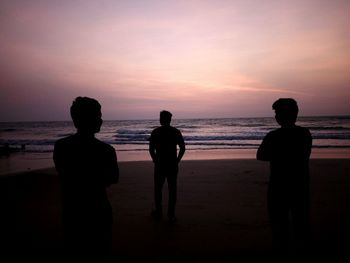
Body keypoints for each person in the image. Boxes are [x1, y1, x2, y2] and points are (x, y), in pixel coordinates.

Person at [53, 97, 119, 259]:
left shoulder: (61, 147)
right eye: (98, 115)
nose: (101, 120)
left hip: (72, 212)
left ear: (75, 121)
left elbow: (64, 173)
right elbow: (112, 178)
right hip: (98, 211)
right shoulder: (106, 150)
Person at [257, 98, 312, 255]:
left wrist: (277, 154)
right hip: (300, 185)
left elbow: (260, 155)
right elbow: (304, 155)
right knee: (301, 224)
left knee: (279, 226)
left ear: (282, 115)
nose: (276, 116)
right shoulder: (305, 134)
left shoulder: (273, 136)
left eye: (277, 113)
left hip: (278, 187)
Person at [149, 110, 186, 222]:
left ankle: (159, 212)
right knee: (172, 190)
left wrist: (155, 159)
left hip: (160, 164)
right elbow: (183, 148)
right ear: (170, 120)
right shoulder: (175, 132)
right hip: (172, 164)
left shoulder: (156, 132)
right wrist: (177, 160)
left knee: (158, 190)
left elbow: (151, 149)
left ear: (161, 120)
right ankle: (171, 214)